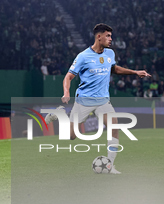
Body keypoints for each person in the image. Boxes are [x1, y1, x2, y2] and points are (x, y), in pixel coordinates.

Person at [45, 23, 150, 174]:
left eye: (111, 36)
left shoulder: (110, 54)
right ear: (98, 37)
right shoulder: (83, 56)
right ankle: (59, 114)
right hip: (84, 101)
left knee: (114, 129)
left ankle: (110, 165)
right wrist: (66, 92)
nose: (111, 39)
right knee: (71, 136)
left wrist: (134, 72)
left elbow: (113, 69)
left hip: (103, 101)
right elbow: (68, 77)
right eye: (108, 36)